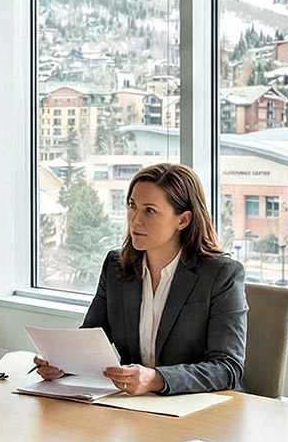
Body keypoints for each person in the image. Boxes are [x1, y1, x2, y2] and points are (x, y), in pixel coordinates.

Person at [33, 162, 246, 394]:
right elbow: (90, 340)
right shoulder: (116, 267)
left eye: (149, 210)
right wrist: (63, 364)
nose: (135, 220)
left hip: (202, 409)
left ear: (183, 220)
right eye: (132, 206)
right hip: (135, 408)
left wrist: (157, 379)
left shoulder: (220, 274)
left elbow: (227, 368)